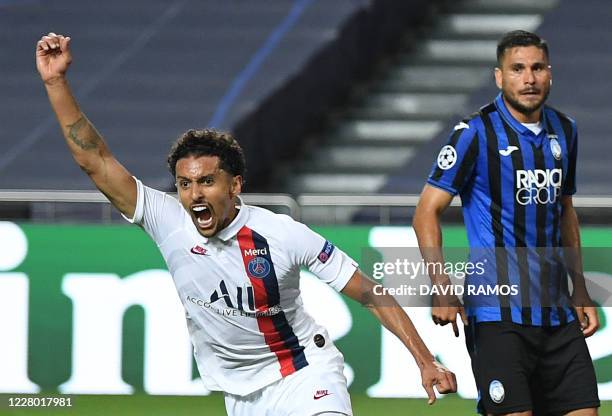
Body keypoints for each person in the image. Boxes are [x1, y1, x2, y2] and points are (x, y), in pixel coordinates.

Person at [36, 32, 456, 415]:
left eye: (206, 182)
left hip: (305, 375)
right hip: (240, 397)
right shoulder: (167, 220)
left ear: (235, 184)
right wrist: (56, 83)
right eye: (184, 184)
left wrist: (425, 360)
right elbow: (95, 161)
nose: (194, 194)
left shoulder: (281, 234)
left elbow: (370, 292)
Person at [413, 30, 600, 415]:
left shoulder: (565, 131)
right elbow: (425, 211)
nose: (528, 79)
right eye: (517, 69)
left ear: (550, 74)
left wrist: (580, 289)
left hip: (557, 312)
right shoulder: (474, 134)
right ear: (499, 76)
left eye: (536, 68)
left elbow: (565, 210)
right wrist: (441, 285)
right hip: (497, 315)